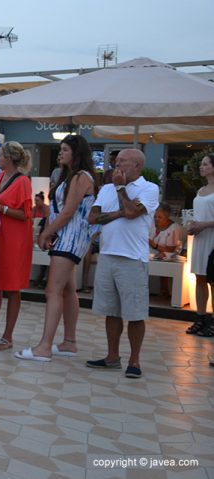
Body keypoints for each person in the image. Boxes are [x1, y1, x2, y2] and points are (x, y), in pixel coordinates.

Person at [14, 135, 96, 361]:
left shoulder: (81, 177)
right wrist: (47, 224)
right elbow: (60, 211)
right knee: (67, 289)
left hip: (71, 237)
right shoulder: (68, 176)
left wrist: (47, 232)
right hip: (66, 236)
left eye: (65, 149)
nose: (60, 153)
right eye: (60, 149)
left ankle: (45, 346)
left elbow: (69, 212)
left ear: (76, 153)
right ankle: (69, 342)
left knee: (53, 291)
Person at [86, 148, 159, 379]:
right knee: (111, 310)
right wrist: (120, 209)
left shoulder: (149, 188)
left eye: (122, 162)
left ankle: (134, 360)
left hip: (132, 258)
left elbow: (132, 212)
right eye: (116, 162)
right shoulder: (106, 189)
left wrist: (120, 189)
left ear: (137, 165)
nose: (116, 167)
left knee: (135, 313)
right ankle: (112, 356)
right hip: (108, 255)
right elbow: (93, 218)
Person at [0, 141, 33, 351]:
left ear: (10, 158)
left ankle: (8, 335)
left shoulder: (22, 181)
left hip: (15, 240)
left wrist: (1, 208)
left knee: (12, 288)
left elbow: (25, 214)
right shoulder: (0, 176)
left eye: (0, 156)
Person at [185, 154, 214, 337]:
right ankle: (201, 317)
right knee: (199, 278)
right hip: (200, 238)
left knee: (212, 279)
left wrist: (204, 224)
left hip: (212, 238)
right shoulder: (200, 190)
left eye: (205, 164)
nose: (201, 167)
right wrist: (192, 225)